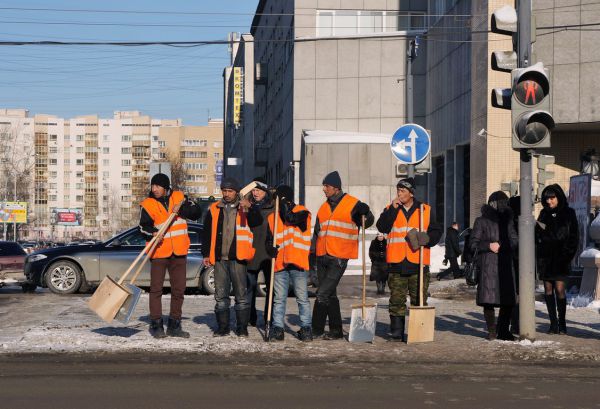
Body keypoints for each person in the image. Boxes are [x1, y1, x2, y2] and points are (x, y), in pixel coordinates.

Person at [376, 177, 442, 342]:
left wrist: (427, 239)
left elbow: (436, 230)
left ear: (411, 193)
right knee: (396, 299)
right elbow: (382, 227)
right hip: (397, 263)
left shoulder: (425, 210)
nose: (399, 194)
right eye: (398, 190)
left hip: (418, 263)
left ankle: (418, 333)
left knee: (419, 300)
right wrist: (392, 209)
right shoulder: (391, 209)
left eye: (403, 191)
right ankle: (396, 333)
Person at [311, 171, 374, 340]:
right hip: (322, 255)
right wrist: (312, 255)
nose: (324, 189)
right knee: (330, 294)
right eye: (324, 186)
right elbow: (317, 233)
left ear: (336, 188)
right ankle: (336, 330)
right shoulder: (323, 208)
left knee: (322, 294)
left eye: (327, 186)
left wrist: (366, 212)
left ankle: (315, 330)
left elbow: (367, 221)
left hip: (339, 256)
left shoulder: (352, 204)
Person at [139, 173, 201, 339]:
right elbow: (142, 227)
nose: (154, 189)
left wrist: (182, 209)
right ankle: (156, 324)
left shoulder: (180, 197)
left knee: (179, 290)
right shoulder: (147, 204)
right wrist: (152, 233)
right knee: (156, 289)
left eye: (158, 186)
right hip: (159, 251)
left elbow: (196, 212)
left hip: (179, 252)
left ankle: (175, 324)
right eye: (153, 186)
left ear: (166, 187)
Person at [202, 177, 258, 337]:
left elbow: (256, 222)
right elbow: (206, 233)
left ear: (236, 192)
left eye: (230, 191)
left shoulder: (244, 206)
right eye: (224, 191)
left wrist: (251, 208)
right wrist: (206, 254)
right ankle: (223, 328)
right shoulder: (214, 209)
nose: (226, 194)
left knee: (241, 295)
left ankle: (242, 328)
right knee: (221, 295)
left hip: (238, 258)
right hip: (220, 259)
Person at [470, 191, 518, 341]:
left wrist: (502, 245)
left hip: (505, 265)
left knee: (508, 301)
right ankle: (491, 331)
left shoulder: (509, 222)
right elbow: (473, 244)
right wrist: (488, 245)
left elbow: (515, 241)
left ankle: (503, 330)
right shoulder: (481, 221)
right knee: (488, 301)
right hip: (488, 266)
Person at [266, 185, 313, 342]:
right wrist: (269, 249)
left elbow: (291, 219)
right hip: (280, 264)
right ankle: (278, 328)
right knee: (279, 299)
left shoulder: (302, 212)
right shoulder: (272, 218)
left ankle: (306, 328)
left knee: (302, 298)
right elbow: (268, 239)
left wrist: (285, 206)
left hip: (298, 263)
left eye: (278, 198)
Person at [536, 184, 579, 335]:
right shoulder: (543, 214)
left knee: (560, 290)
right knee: (548, 290)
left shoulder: (569, 213)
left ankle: (562, 323)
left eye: (552, 198)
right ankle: (553, 323)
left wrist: (566, 256)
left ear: (559, 197)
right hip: (546, 259)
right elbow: (537, 234)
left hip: (561, 259)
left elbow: (574, 237)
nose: (549, 201)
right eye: (547, 198)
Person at [244, 177, 275, 328]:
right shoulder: (247, 206)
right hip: (252, 251)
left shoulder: (274, 207)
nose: (255, 193)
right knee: (250, 287)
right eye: (253, 190)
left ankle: (269, 317)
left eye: (258, 190)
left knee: (271, 288)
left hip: (269, 254)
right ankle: (251, 318)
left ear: (265, 191)